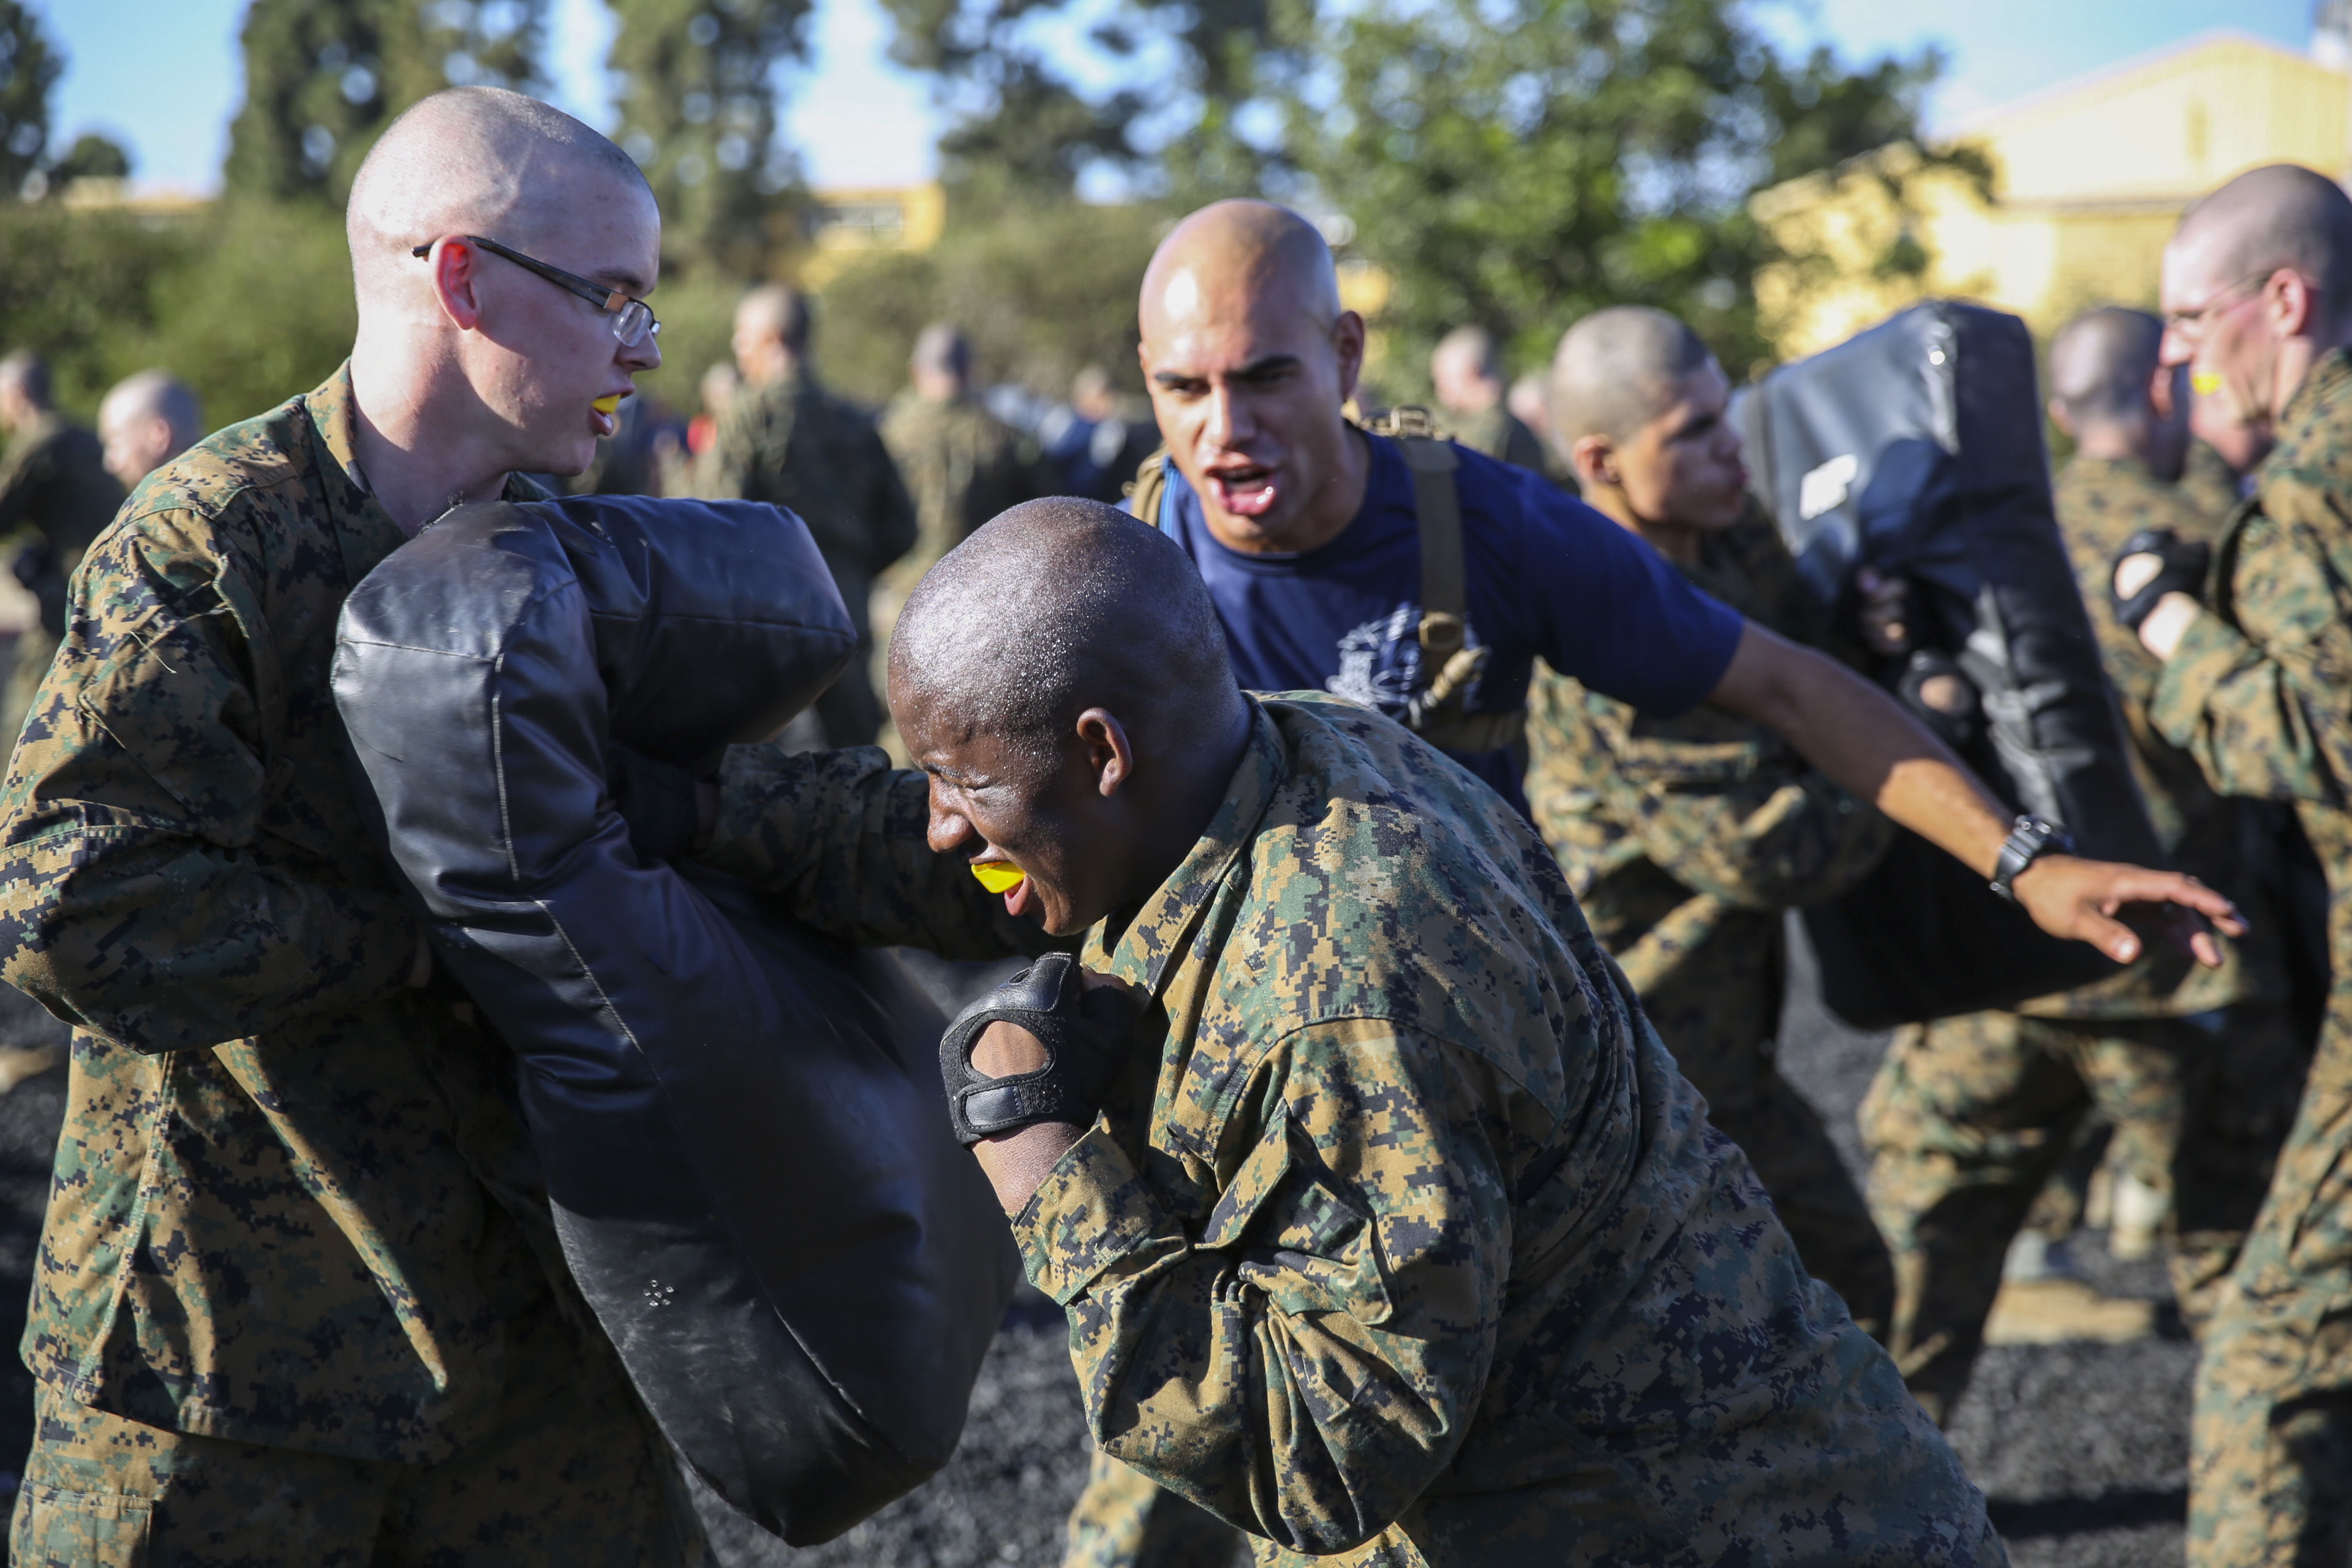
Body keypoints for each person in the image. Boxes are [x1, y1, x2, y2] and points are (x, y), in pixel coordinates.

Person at [1101, 197, 2236, 1568]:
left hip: (1486, 1101)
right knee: (1161, 1486)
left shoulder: (1484, 529)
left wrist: (2026, 859)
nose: (1225, 425)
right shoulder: (1110, 575)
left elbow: (1780, 681)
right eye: (1184, 387)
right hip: (1229, 1123)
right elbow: (972, 822)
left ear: (1343, 357)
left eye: (1263, 375)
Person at [699, 497, 2011, 1566]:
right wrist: (665, 805)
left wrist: (1041, 1157)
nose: (941, 820)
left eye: (960, 780)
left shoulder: (1347, 985)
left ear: (1102, 751)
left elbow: (1327, 1454)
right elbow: (938, 858)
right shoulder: (1274, 751)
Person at [0, 88, 703, 1566]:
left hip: (528, 1339)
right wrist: (421, 932)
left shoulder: (567, 549)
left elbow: (684, 816)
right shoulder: (213, 541)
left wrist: (952, 829)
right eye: (611, 298)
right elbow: (70, 897)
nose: (642, 349)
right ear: (460, 280)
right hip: (229, 1367)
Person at [1857, 306, 2307, 1428]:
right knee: (2254, 1300)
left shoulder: (1985, 534)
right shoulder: (2223, 533)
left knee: (1905, 1287)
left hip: (2011, 950)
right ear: (2165, 387)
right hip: (2184, 971)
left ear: (2062, 412)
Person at [1523, 304, 1897, 1339]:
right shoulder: (1604, 623)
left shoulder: (1728, 538)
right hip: (1636, 1074)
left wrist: (1872, 640)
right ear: (1600, 459)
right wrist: (1910, 753)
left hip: (1725, 1054)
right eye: (1690, 433)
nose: (1731, 446)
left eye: (1724, 415)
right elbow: (1766, 847)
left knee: (1844, 1288)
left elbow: (1810, 669)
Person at [2116, 161, 2352, 1568]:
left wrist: (2168, 634)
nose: (2175, 353)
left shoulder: (2317, 480)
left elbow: (2324, 738)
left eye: (2192, 318)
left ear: (2285, 297)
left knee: (2265, 1355)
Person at [707, 284, 916, 747]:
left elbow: (715, 522)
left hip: (767, 618)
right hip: (847, 614)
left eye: (744, 338)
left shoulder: (746, 414)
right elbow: (903, 525)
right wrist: (850, 569)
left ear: (774, 339)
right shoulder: (856, 420)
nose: (739, 352)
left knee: (759, 765)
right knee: (856, 760)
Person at [0, 352, 124, 749]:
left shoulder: (39, 441)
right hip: (114, 583)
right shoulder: (84, 436)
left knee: (30, 715)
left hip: (72, 595)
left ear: (17, 394)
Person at [878, 322, 1041, 604]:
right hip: (982, 600)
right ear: (969, 368)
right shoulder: (1008, 438)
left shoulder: (886, 435)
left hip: (901, 601)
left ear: (916, 370)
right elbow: (1043, 516)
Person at [1427, 324, 1552, 475]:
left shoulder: (1492, 426)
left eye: (1441, 378)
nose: (1439, 389)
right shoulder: (1509, 422)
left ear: (1470, 371)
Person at [96, 369, 204, 490]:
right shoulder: (222, 488)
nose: (110, 465)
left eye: (115, 444)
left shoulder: (171, 505)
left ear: (156, 434)